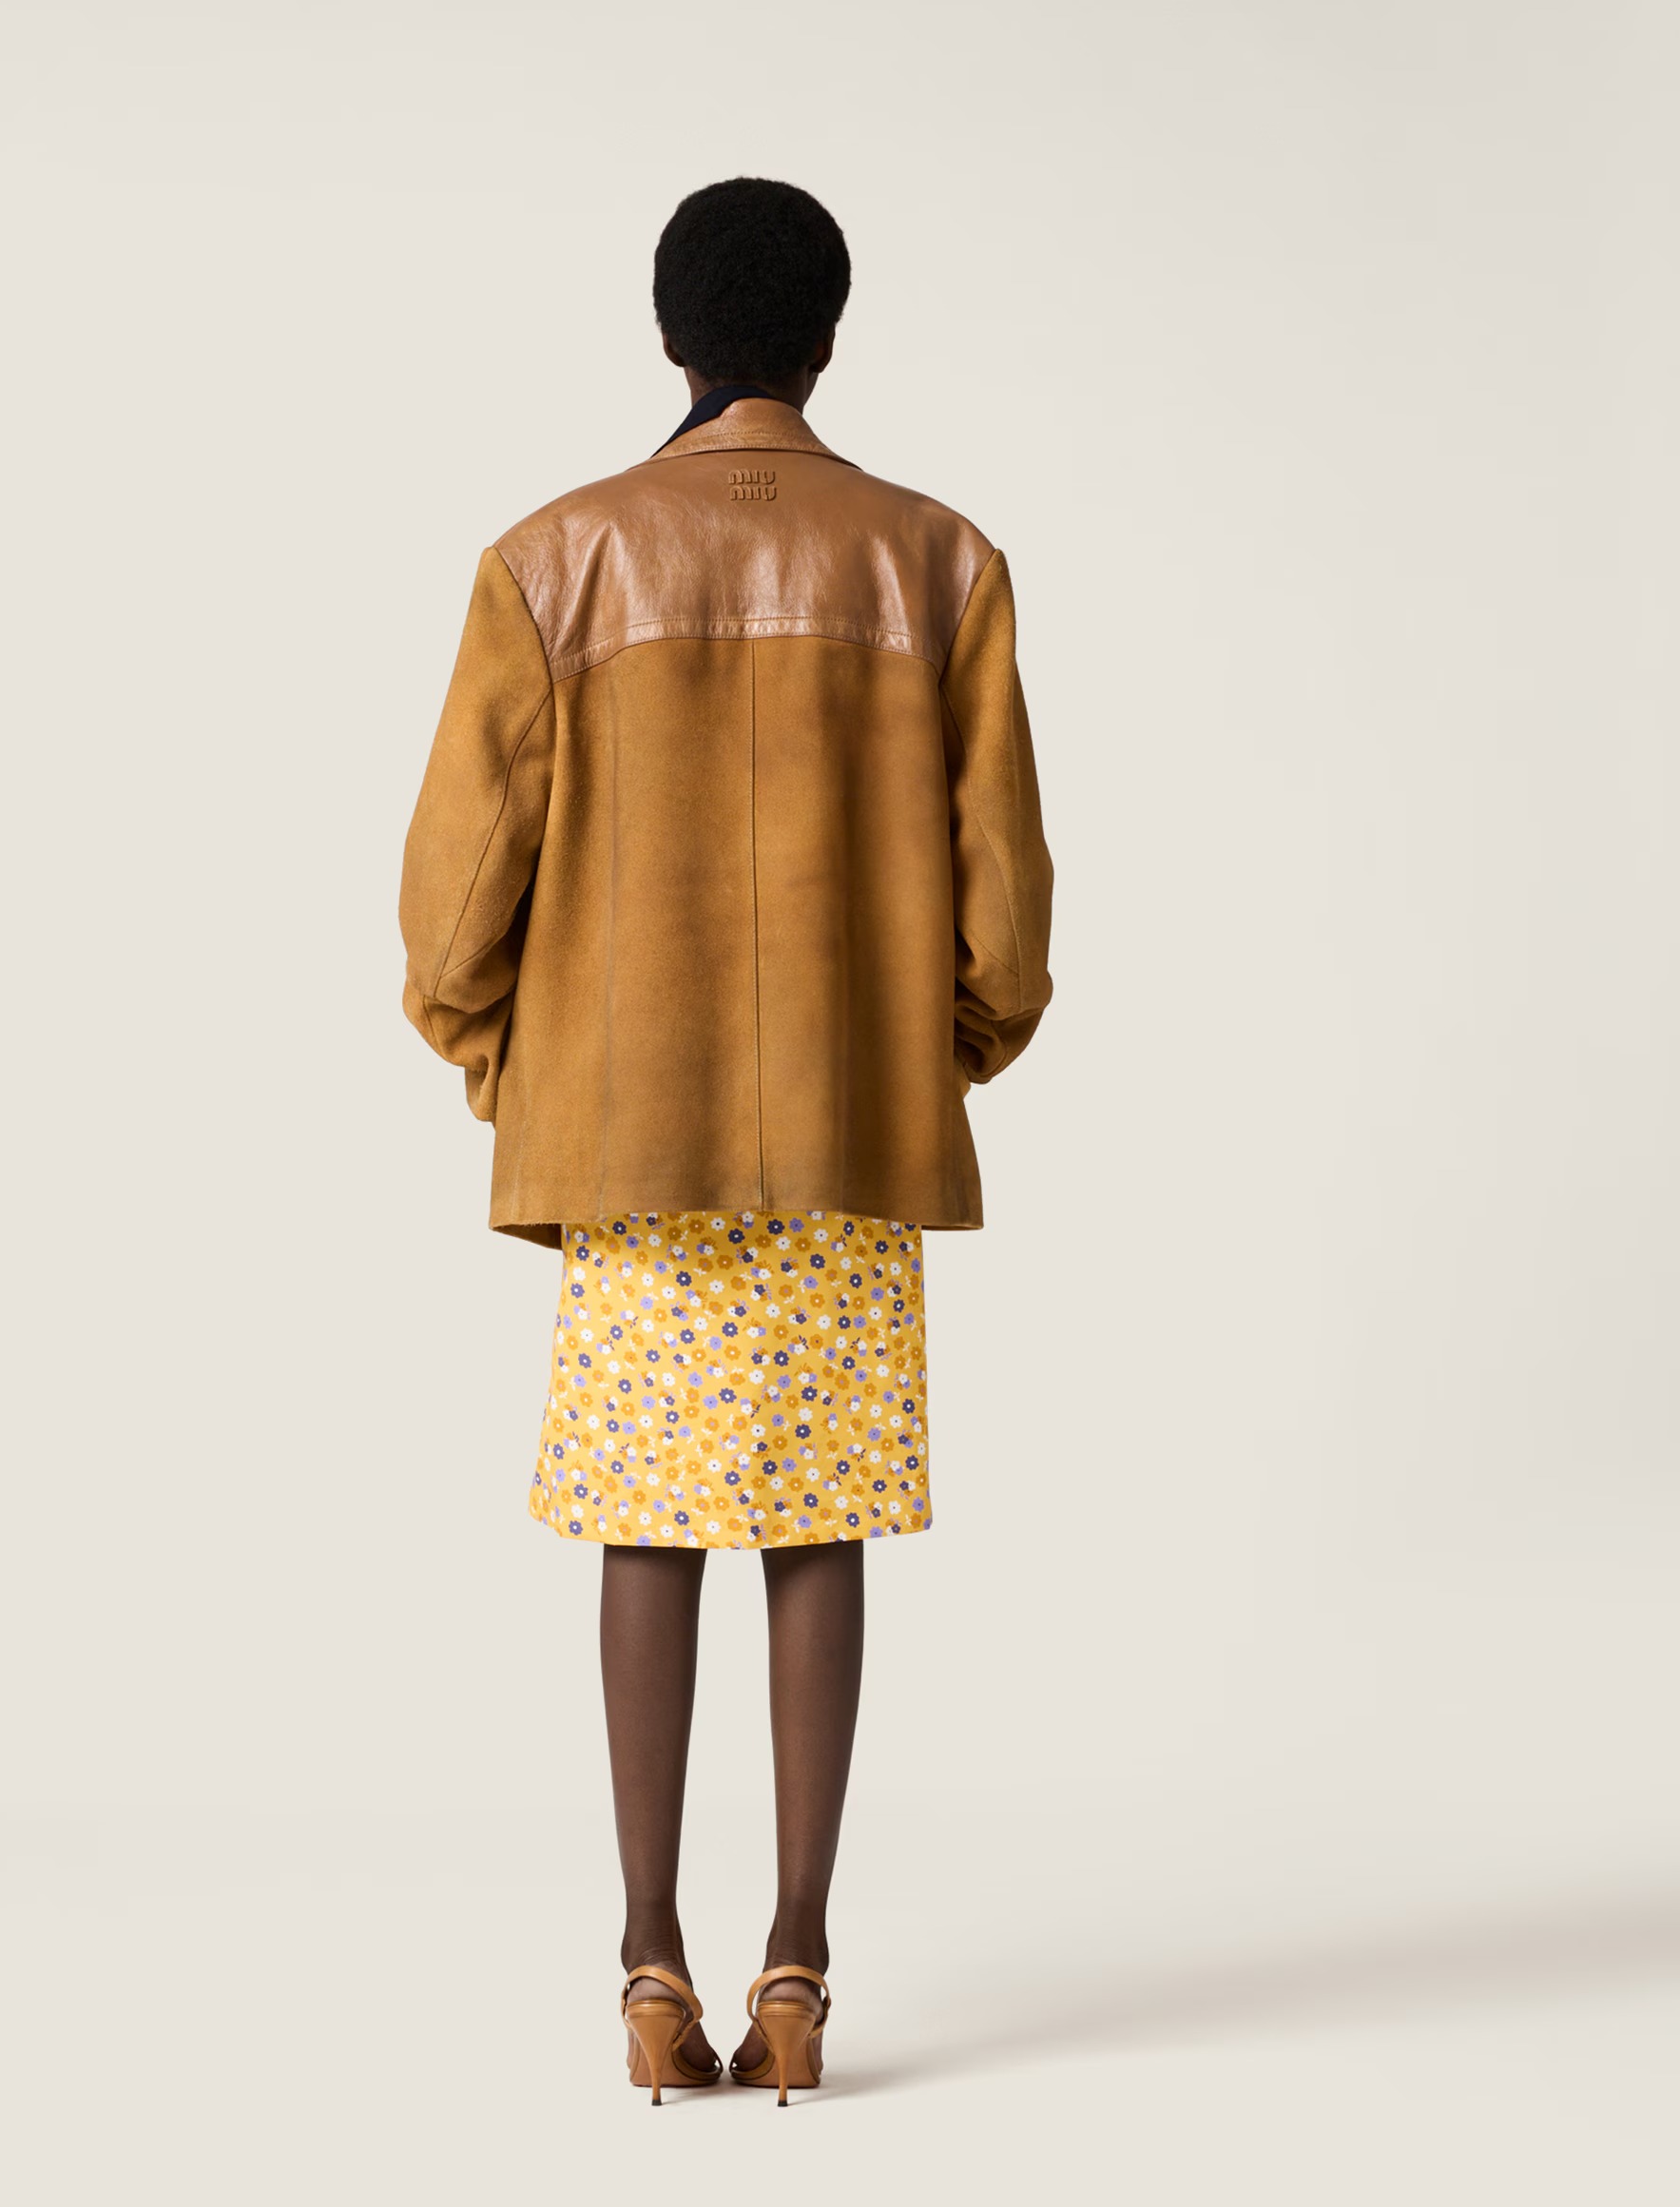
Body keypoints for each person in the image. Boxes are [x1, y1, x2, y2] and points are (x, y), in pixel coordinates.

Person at [397, 176, 1053, 2101]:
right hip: (849, 1124)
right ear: (828, 338)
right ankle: (798, 1973)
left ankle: (646, 1965)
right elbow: (1006, 907)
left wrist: (506, 1056)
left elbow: (456, 899)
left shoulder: (554, 560)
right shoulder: (939, 563)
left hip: (633, 1132)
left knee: (647, 1516)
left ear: (670, 334)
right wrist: (933, 1054)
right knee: (817, 1520)